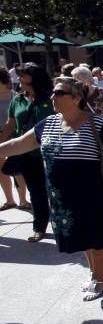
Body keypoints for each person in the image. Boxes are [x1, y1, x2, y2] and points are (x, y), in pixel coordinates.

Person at [0, 77, 103, 300]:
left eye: (59, 93)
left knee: (98, 237)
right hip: (62, 198)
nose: (53, 97)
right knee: (81, 237)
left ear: (76, 98)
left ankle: (100, 277)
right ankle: (95, 273)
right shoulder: (47, 124)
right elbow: (19, 143)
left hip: (94, 195)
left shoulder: (97, 123)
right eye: (53, 92)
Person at [0, 62, 53, 242]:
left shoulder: (51, 99)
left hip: (53, 155)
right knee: (36, 192)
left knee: (57, 190)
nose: (19, 79)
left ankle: (68, 223)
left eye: (23, 75)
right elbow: (10, 126)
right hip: (28, 155)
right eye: (19, 75)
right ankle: (40, 227)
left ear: (34, 78)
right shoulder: (18, 100)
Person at [0, 67, 27, 211]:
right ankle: (10, 200)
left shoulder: (15, 96)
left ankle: (23, 199)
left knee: (16, 169)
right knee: (1, 170)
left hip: (12, 136)